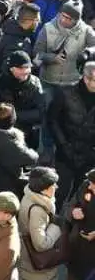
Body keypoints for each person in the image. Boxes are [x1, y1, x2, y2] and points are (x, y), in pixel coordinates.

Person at [12, 166, 64, 280]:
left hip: (30, 267)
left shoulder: (32, 198)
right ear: (44, 188)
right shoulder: (37, 210)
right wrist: (56, 227)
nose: (55, 188)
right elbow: (40, 244)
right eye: (53, 185)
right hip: (36, 271)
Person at [48, 61, 95, 206]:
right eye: (92, 80)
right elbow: (52, 120)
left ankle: (72, 225)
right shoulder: (65, 93)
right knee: (59, 192)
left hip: (89, 154)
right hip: (66, 151)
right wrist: (63, 145)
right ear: (85, 78)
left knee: (83, 196)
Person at [0, 102, 39, 200]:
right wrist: (20, 140)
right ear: (12, 120)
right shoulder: (9, 143)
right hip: (6, 187)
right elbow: (32, 158)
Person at [0, 50, 45, 150]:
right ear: (12, 69)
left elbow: (41, 112)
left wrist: (13, 115)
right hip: (2, 134)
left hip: (27, 134)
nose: (26, 71)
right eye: (22, 68)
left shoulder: (35, 83)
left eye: (28, 67)